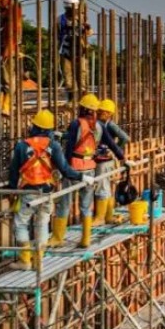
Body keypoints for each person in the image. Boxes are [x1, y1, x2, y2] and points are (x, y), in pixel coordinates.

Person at [6, 110, 91, 270]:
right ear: (50, 130)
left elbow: (13, 171)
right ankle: (39, 262)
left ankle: (25, 260)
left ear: (35, 126)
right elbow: (65, 170)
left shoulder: (22, 146)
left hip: (28, 192)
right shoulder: (54, 146)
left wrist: (11, 190)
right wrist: (83, 178)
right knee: (42, 224)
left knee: (21, 223)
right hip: (46, 192)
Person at [56, 94, 104, 247]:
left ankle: (58, 237)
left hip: (74, 167)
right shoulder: (97, 125)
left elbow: (70, 148)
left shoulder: (77, 123)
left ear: (83, 108)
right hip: (89, 167)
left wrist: (64, 168)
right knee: (86, 204)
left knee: (64, 201)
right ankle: (86, 239)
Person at [93, 99, 130, 224]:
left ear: (109, 113)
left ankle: (100, 218)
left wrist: (115, 149)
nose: (99, 113)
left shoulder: (110, 125)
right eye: (99, 111)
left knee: (102, 187)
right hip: (101, 160)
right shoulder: (99, 123)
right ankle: (108, 216)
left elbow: (125, 138)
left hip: (105, 161)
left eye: (102, 111)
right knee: (105, 187)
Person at [57, 0, 90, 100]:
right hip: (66, 50)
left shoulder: (81, 18)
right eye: (70, 9)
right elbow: (56, 34)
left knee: (82, 76)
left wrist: (87, 29)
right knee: (68, 77)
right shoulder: (60, 19)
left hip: (80, 51)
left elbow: (89, 33)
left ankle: (83, 100)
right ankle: (71, 99)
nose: (73, 11)